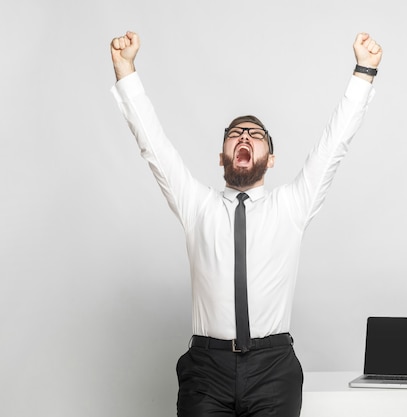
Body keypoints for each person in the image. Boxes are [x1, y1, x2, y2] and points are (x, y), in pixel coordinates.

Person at [110, 30, 382, 417]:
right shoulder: (196, 206)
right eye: (235, 133)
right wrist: (126, 71)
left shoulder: (292, 205)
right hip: (206, 369)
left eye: (256, 135)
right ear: (222, 157)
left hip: (273, 368)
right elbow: (153, 146)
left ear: (269, 159)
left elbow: (333, 145)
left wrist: (364, 71)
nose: (245, 137)